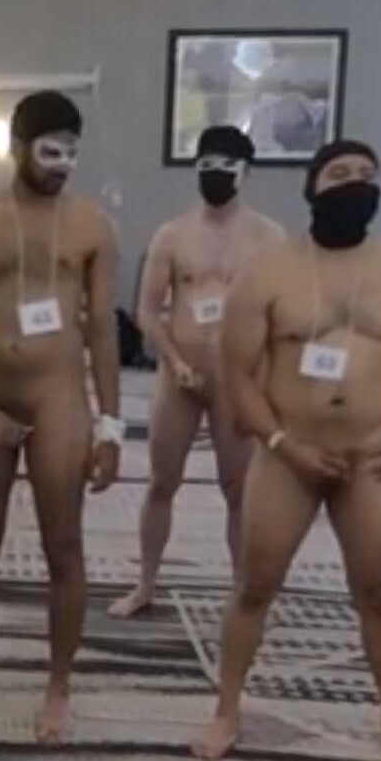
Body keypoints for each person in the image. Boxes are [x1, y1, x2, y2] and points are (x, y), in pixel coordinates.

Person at [190, 142, 381, 761]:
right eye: (340, 174)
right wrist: (281, 444)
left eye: (368, 175)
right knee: (254, 586)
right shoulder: (269, 270)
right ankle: (226, 710)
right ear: (312, 187)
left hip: (372, 458)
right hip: (287, 454)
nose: (356, 183)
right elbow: (236, 375)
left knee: (377, 591)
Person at [0, 91, 123, 741]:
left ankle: (58, 687)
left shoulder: (92, 226)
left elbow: (103, 333)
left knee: (63, 546)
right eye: (49, 151)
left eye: (71, 153)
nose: (61, 165)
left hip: (59, 398)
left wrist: (111, 426)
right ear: (17, 149)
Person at [113, 126, 287, 619]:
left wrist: (265, 377)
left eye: (225, 168)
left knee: (239, 491)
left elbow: (281, 313)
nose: (214, 176)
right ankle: (146, 583)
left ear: (245, 172)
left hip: (238, 379)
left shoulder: (269, 237)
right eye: (206, 166)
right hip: (181, 375)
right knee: (161, 482)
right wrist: (174, 360)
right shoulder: (173, 235)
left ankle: (243, 591)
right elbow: (148, 312)